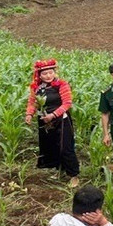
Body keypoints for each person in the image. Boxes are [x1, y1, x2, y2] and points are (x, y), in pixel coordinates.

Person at [25, 59, 80, 187]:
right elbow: (32, 102)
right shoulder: (37, 88)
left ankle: (73, 175)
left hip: (61, 120)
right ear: (39, 75)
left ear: (55, 72)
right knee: (52, 147)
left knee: (65, 147)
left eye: (50, 73)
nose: (48, 76)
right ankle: (60, 170)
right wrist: (29, 114)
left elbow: (67, 103)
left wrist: (53, 115)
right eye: (45, 74)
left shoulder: (62, 85)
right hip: (45, 121)